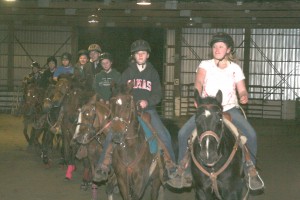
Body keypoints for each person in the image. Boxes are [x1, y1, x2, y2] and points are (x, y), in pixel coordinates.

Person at [167, 32, 265, 191]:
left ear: (228, 50)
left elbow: (242, 89)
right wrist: (197, 95)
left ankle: (250, 170)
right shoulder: (205, 64)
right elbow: (198, 80)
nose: (217, 49)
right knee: (183, 133)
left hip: (229, 109)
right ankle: (182, 171)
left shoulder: (235, 68)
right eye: (214, 46)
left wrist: (244, 96)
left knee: (251, 135)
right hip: (208, 109)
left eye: (221, 46)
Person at [93, 39, 176, 183]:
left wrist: (147, 101)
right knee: (112, 133)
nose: (141, 56)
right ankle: (103, 166)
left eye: (143, 53)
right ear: (134, 56)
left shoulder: (153, 73)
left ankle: (172, 167)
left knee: (164, 135)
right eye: (138, 54)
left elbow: (158, 94)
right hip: (128, 112)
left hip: (148, 111)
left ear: (147, 55)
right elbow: (119, 91)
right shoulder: (128, 72)